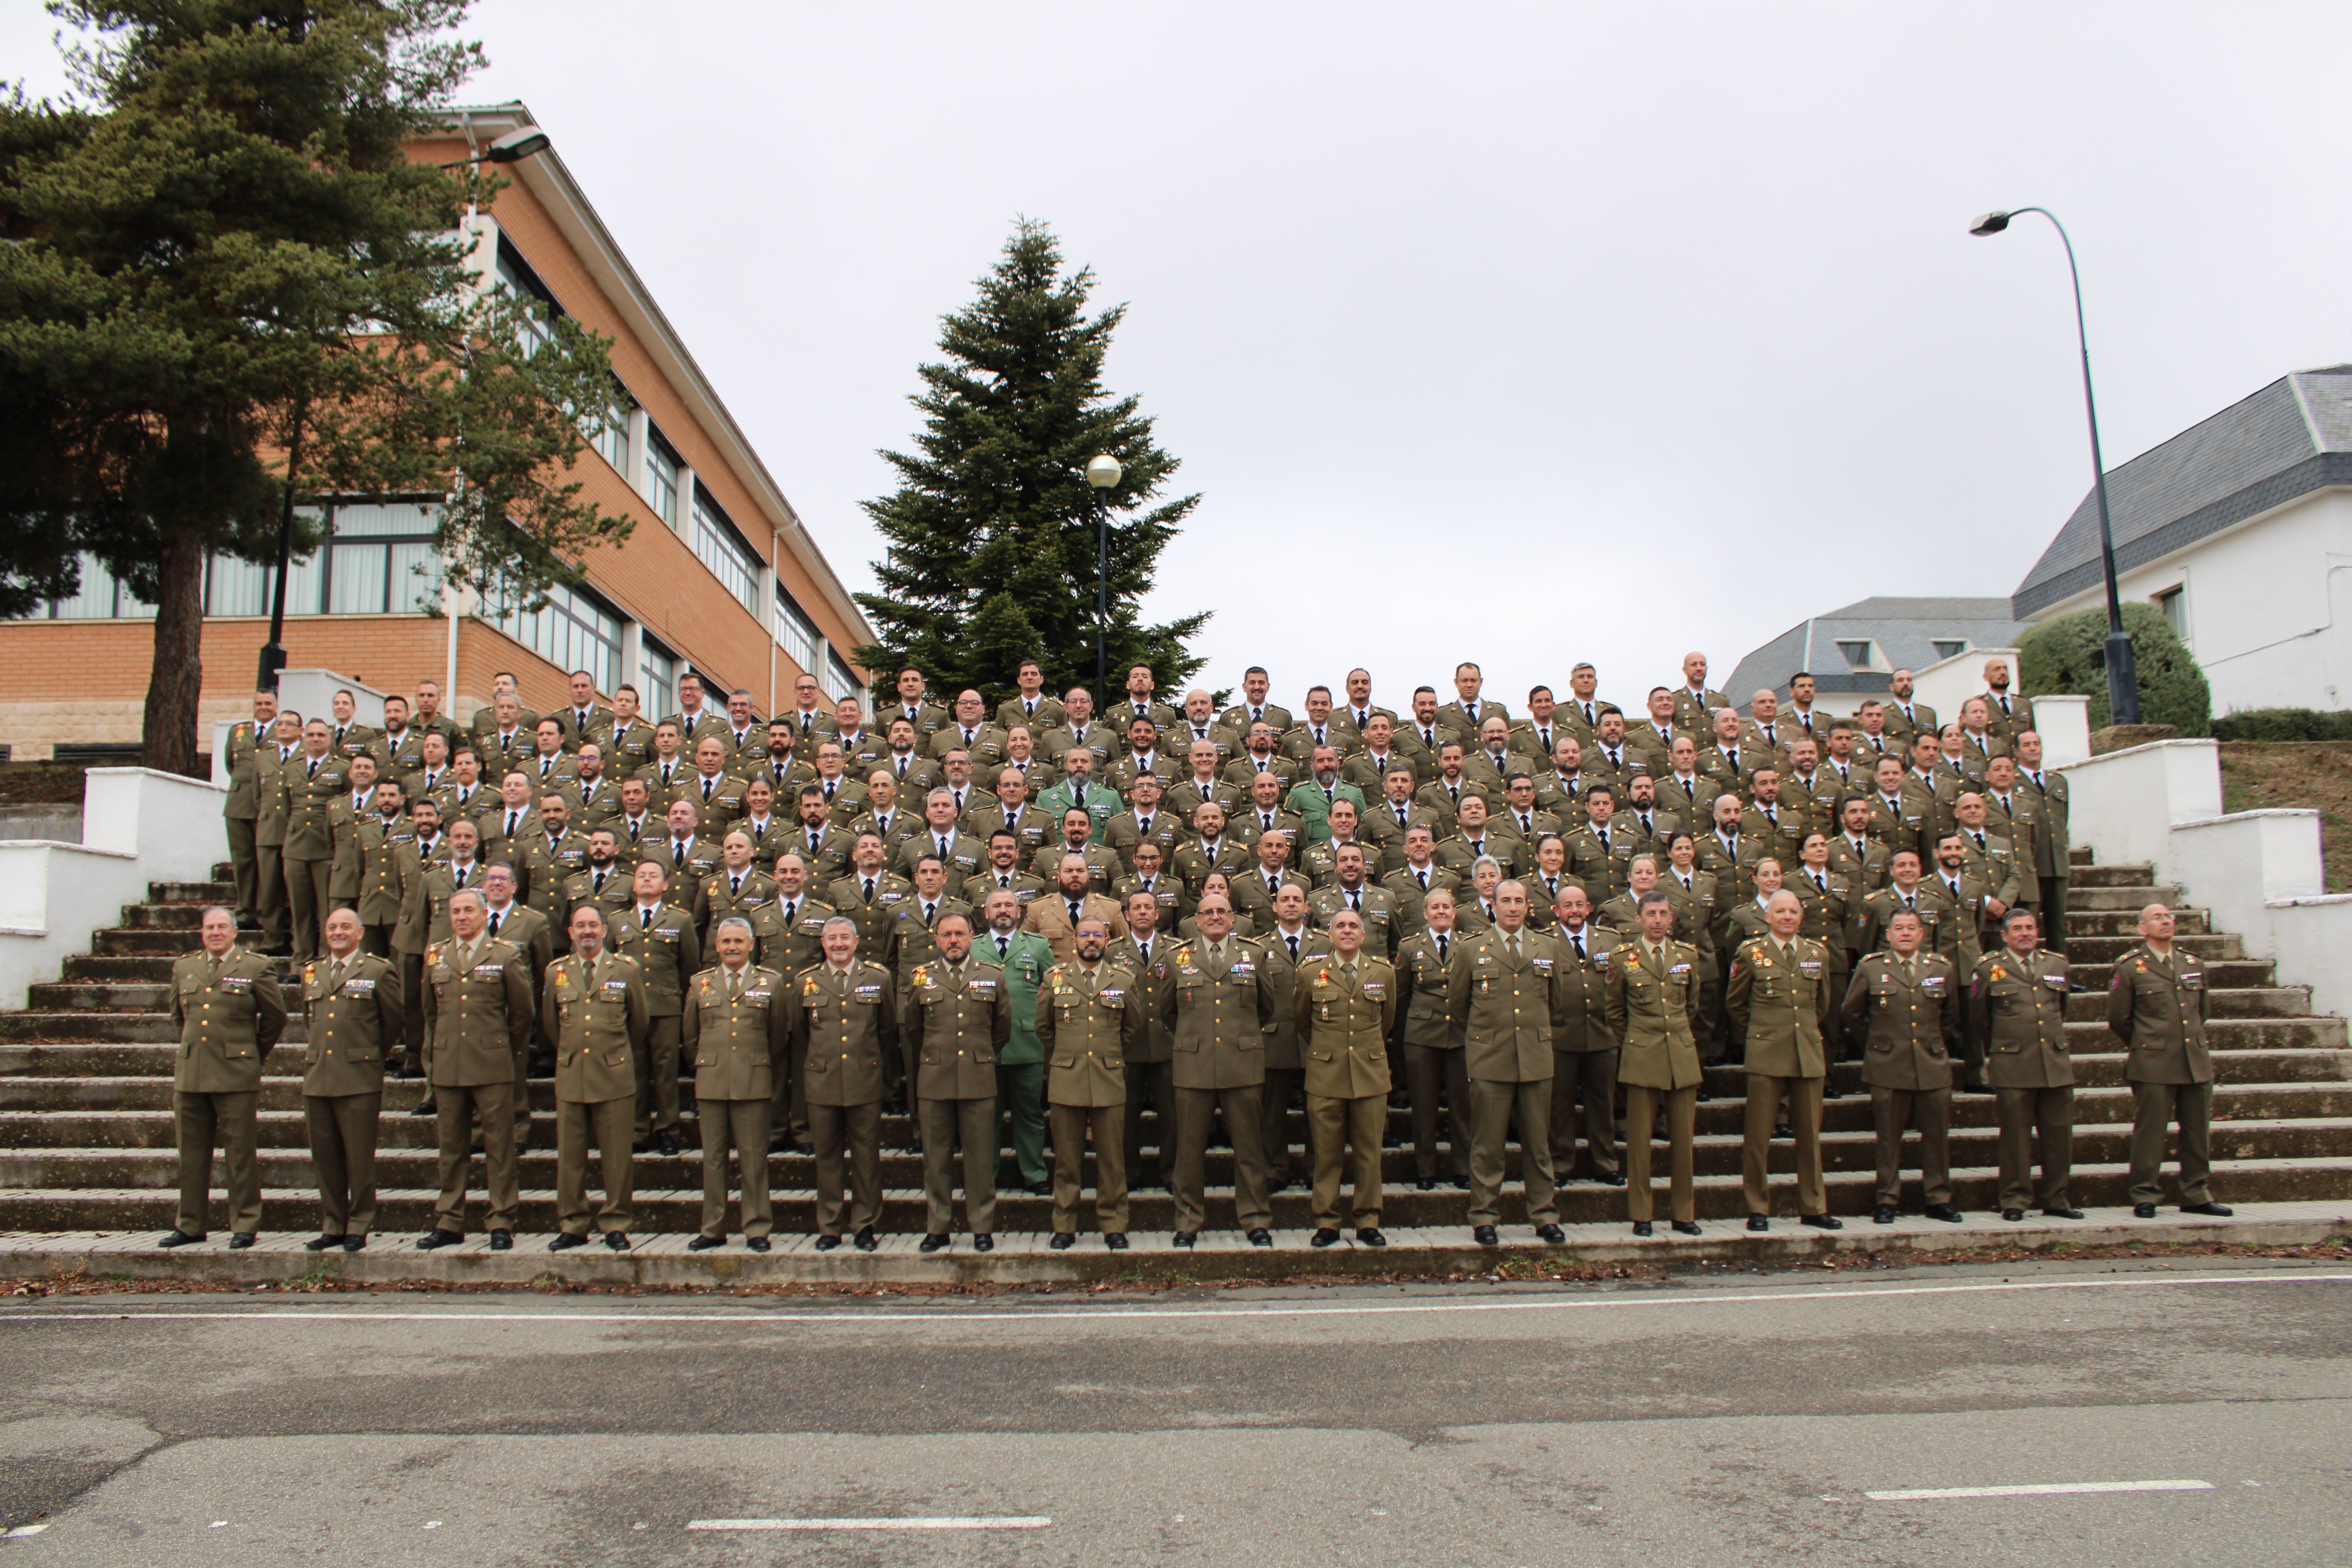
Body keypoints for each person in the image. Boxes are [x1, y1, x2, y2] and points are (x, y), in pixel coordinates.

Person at [1156, 893, 1283, 1247]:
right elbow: (1168, 1011)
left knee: (1250, 1148)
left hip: (1242, 1065)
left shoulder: (1254, 954)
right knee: (1189, 1150)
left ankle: (1255, 1220)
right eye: (1207, 912)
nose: (1215, 917)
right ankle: (1187, 1221)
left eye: (1222, 912)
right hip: (1194, 1065)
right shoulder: (1176, 957)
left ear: (1233, 919)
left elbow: (1266, 1007)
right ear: (1196, 920)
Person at [1446, 880, 1567, 1247]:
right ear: (1493, 907)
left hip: (1535, 1057)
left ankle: (1544, 1215)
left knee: (1539, 1145)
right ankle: (1484, 1216)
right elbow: (1459, 1005)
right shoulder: (1471, 949)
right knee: (1487, 1144)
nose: (1513, 907)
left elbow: (1556, 1001)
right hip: (1490, 1059)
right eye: (1506, 901)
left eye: (1519, 901)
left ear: (1528, 906)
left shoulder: (1548, 946)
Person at [159, 907, 287, 1250]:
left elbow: (276, 1017)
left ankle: (245, 1223)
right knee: (191, 1155)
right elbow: (178, 1017)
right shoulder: (185, 967)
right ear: (202, 933)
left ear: (234, 932)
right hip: (192, 1074)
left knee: (240, 1154)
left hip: (235, 1075)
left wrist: (250, 1054)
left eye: (221, 927)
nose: (215, 933)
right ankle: (190, 1225)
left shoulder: (255, 967)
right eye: (209, 928)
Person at [416, 889, 535, 1251]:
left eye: (469, 910)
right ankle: (450, 1220)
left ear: (484, 914)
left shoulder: (505, 955)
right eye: (455, 911)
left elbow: (522, 1013)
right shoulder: (436, 955)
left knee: (499, 1147)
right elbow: (430, 1013)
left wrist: (500, 1049)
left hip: (491, 1064)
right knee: (451, 1148)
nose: (462, 917)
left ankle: (501, 1220)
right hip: (449, 1064)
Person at [2109, 902, 2233, 1220]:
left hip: (2194, 1059)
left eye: (2169, 916)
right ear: (2142, 929)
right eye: (2157, 918)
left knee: (2197, 1132)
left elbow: (2202, 1011)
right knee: (2150, 1133)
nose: (2166, 921)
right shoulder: (2129, 967)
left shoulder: (2193, 963)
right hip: (2153, 1062)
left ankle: (2196, 1193)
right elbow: (2120, 1019)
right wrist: (2149, 1044)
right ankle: (2145, 1193)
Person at [1726, 889, 1840, 1231]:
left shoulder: (1817, 953)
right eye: (1780, 912)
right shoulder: (1750, 953)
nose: (1787, 917)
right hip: (1767, 1055)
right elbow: (1736, 1004)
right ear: (1768, 917)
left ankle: (1814, 1206)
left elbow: (1822, 1005)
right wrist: (1764, 1033)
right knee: (1758, 1137)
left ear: (1801, 917)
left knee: (1810, 1137)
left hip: (1807, 1053)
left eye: (1793, 911)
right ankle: (1757, 1207)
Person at [1842, 908, 1964, 1224]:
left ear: (1922, 934)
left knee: (1937, 1136)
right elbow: (1852, 1012)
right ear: (1888, 935)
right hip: (1888, 1064)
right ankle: (1887, 1199)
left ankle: (1938, 1198)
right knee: (1888, 1137)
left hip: (1931, 1063)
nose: (1906, 933)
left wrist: (1933, 1042)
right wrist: (1877, 1043)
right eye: (1899, 928)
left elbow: (1950, 1014)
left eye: (1912, 928)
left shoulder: (1941, 968)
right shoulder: (1871, 968)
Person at [1036, 915, 1146, 1249]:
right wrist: (1067, 1055)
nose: (1091, 940)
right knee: (1067, 1162)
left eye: (1098, 935)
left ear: (1107, 942)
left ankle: (1114, 1226)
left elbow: (1132, 1028)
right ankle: (1064, 1226)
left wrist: (1107, 1054)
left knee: (1112, 1162)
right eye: (1085, 935)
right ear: (1074, 942)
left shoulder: (1124, 980)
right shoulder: (1054, 978)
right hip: (1066, 1081)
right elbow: (1044, 1028)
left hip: (1107, 1079)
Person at [904, 910, 1011, 1252]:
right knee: (936, 1160)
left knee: (980, 1159)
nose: (953, 941)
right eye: (947, 935)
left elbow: (1002, 1028)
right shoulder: (921, 977)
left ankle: (982, 1227)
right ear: (936, 940)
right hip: (935, 1079)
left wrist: (979, 1054)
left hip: (978, 1078)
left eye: (960, 934)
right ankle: (938, 1228)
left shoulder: (992, 975)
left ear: (971, 938)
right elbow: (914, 1029)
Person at [543, 904, 648, 1251]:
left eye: (593, 925)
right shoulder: (556, 972)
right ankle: (573, 1224)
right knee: (570, 1158)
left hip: (614, 1075)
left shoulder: (626, 970)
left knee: (617, 1158)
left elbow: (639, 1022)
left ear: (605, 930)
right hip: (572, 1074)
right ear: (570, 933)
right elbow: (551, 1024)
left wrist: (613, 1054)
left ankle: (616, 1223)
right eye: (580, 926)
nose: (586, 931)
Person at [684, 916, 789, 1251]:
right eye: (726, 942)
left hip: (752, 1080)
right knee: (713, 1160)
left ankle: (757, 1228)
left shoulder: (771, 983)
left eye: (739, 941)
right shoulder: (700, 983)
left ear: (751, 945)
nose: (732, 947)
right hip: (712, 1081)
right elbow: (690, 1037)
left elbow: (777, 1035)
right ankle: (712, 1229)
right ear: (717, 946)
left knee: (754, 1159)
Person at [298, 909, 400, 1253]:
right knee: (325, 1157)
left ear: (360, 933)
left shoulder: (377, 970)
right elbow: (310, 1021)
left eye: (345, 927)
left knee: (359, 1158)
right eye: (332, 927)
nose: (338, 932)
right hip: (319, 1075)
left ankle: (358, 1224)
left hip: (359, 1077)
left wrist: (369, 1054)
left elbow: (392, 1021)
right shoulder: (312, 971)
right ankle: (333, 1224)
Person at [795, 915, 899, 1250]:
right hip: (822, 1081)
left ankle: (865, 1225)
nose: (838, 944)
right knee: (827, 1157)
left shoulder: (878, 978)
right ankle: (830, 1226)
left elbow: (887, 1030)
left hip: (864, 1079)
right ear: (822, 943)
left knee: (866, 1158)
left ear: (856, 942)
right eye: (832, 938)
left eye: (844, 938)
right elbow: (800, 1033)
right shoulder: (805, 981)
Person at [1295, 908, 1397, 1247]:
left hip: (1370, 1075)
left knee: (1369, 1155)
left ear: (1364, 936)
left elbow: (1386, 1021)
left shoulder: (1383, 972)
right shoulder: (1310, 973)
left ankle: (1368, 1221)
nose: (1347, 930)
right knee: (1327, 1155)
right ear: (1330, 935)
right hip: (1326, 1076)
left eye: (1354, 926)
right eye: (1340, 926)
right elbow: (1303, 1022)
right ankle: (1327, 1222)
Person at [1969, 908, 2078, 1223]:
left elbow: (2061, 1009)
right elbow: (1981, 1019)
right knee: (2016, 1138)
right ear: (2005, 935)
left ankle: (2056, 1198)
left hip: (2054, 1062)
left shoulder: (2056, 964)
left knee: (2059, 1135)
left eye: (2030, 927)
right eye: (2017, 929)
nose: (2025, 933)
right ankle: (2015, 1199)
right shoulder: (1989, 968)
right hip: (2013, 1063)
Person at [1607, 890, 1704, 1237]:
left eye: (1664, 914)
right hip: (1642, 1055)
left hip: (1680, 1055)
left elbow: (1691, 1006)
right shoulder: (1623, 959)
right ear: (1639, 918)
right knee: (1639, 1144)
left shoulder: (1687, 956)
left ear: (1671, 918)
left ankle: (1683, 1213)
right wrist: (1636, 1042)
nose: (1658, 921)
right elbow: (1615, 1011)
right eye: (1651, 914)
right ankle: (1642, 1214)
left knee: (1684, 1142)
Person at [609, 860, 701, 1157]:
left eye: (653, 876)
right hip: (628, 1010)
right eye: (641, 876)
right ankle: (637, 1130)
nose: (647, 880)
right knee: (633, 1071)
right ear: (633, 885)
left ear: (665, 885)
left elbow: (689, 967)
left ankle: (668, 1131)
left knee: (665, 1073)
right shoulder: (616, 921)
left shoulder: (680, 920)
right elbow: (609, 965)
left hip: (666, 1007)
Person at [1548, 885, 1622, 1185]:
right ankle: (1560, 1164)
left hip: (1602, 1035)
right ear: (1557, 911)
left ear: (1589, 908)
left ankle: (1605, 1163)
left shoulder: (1611, 940)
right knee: (1559, 1106)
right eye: (1568, 905)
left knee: (1603, 1104)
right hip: (1561, 1036)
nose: (1575, 911)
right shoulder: (1545, 942)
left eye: (1580, 904)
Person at [987, 886, 1058, 1197]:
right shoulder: (974, 948)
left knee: (1030, 1114)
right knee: (987, 1118)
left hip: (1027, 1045)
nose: (1003, 910)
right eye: (997, 906)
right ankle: (985, 1176)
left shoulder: (1038, 946)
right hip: (986, 1048)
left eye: (1009, 905)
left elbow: (1052, 989)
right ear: (987, 912)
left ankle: (1035, 1174)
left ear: (1019, 912)